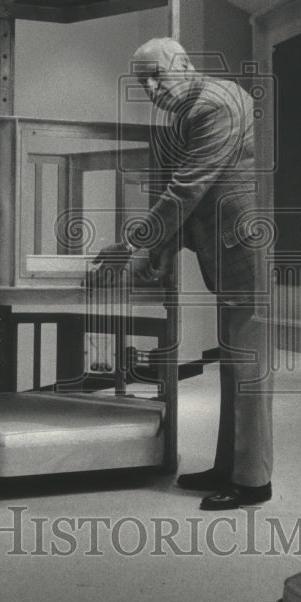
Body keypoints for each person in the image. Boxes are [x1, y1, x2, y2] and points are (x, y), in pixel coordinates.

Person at [91, 38, 273, 510]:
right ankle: (231, 467)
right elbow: (190, 196)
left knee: (248, 368)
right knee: (235, 365)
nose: (151, 87)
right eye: (142, 81)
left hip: (245, 250)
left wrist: (135, 245)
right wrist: (152, 254)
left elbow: (187, 189)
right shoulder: (194, 109)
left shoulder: (214, 103)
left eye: (157, 74)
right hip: (230, 251)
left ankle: (253, 482)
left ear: (186, 65)